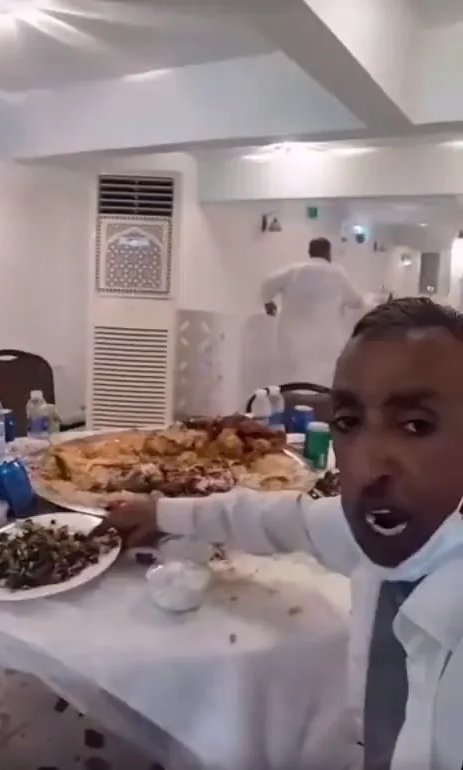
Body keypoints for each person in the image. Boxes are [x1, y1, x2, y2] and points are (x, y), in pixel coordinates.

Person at [96, 296, 463, 770]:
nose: (366, 467)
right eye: (348, 423)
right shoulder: (381, 538)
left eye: (416, 425)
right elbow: (278, 519)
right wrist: (160, 512)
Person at [260, 237, 365, 386]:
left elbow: (267, 283)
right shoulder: (337, 273)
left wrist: (267, 302)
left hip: (294, 337)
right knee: (323, 380)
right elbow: (356, 301)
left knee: (292, 378)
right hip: (326, 339)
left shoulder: (293, 270)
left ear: (309, 251)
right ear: (328, 252)